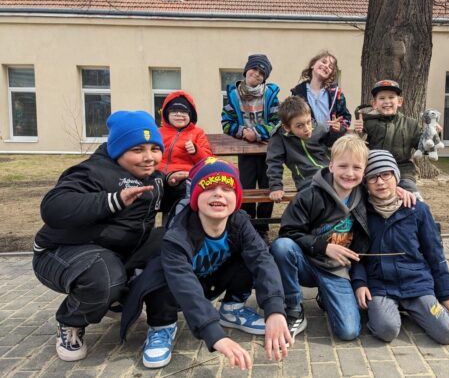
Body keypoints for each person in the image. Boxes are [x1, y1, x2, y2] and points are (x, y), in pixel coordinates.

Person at [32, 110, 187, 365]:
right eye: (137, 149)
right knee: (104, 275)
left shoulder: (151, 176)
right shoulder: (91, 172)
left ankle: (118, 299)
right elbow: (53, 207)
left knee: (171, 242)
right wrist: (111, 201)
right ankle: (71, 321)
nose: (149, 157)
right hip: (59, 252)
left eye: (155, 149)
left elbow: (152, 200)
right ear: (118, 149)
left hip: (114, 250)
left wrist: (173, 185)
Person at [122, 157, 292, 370]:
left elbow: (262, 260)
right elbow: (184, 284)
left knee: (253, 253)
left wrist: (275, 309)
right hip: (179, 289)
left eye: (227, 189)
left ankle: (232, 309)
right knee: (160, 274)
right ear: (194, 196)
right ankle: (162, 326)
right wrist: (214, 333)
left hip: (211, 279)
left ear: (237, 198)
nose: (218, 193)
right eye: (209, 187)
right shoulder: (178, 234)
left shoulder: (239, 222)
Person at [353, 150, 449, 344]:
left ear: (396, 177)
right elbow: (357, 255)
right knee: (386, 330)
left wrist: (446, 294)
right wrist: (360, 283)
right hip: (381, 286)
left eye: (386, 174)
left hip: (416, 284)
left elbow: (435, 254)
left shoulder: (417, 210)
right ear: (365, 183)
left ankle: (445, 299)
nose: (380, 182)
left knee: (446, 334)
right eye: (372, 177)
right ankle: (393, 309)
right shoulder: (361, 213)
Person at [270, 134, 370, 340]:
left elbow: (388, 189)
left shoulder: (365, 196)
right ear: (331, 166)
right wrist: (324, 246)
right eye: (343, 166)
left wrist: (403, 189)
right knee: (282, 247)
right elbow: (288, 231)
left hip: (337, 268)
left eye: (356, 167)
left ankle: (325, 294)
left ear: (364, 170)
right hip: (307, 261)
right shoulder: (309, 194)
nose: (349, 173)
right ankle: (293, 308)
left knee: (349, 331)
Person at [221, 54, 280, 242]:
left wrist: (258, 133)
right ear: (246, 70)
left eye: (262, 73)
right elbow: (226, 123)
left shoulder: (270, 96)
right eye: (254, 69)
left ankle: (262, 228)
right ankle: (247, 226)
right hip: (245, 150)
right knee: (246, 188)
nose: (257, 74)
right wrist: (242, 132)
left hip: (267, 151)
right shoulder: (233, 96)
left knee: (267, 188)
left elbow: (277, 122)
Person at [266, 96, 345, 202]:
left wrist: (336, 132)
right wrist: (276, 187)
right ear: (287, 127)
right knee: (322, 197)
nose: (307, 129)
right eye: (300, 126)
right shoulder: (279, 138)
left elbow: (331, 142)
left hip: (330, 173)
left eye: (308, 122)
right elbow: (274, 163)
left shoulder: (318, 127)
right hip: (307, 181)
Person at [354, 80, 423, 197]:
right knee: (361, 196)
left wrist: (432, 135)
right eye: (382, 98)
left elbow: (423, 148)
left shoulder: (411, 124)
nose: (387, 101)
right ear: (374, 104)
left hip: (403, 172)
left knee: (413, 197)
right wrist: (359, 134)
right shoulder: (366, 123)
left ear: (399, 101)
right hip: (373, 170)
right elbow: (357, 151)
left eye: (391, 97)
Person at [158, 90, 213, 213]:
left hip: (184, 176)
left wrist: (195, 151)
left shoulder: (197, 133)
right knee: (149, 185)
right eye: (174, 111)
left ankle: (180, 219)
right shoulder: (159, 132)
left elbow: (207, 160)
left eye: (183, 111)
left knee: (185, 186)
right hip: (160, 176)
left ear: (190, 115)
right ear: (166, 114)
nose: (179, 114)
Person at [291, 50, 351, 130]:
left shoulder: (336, 94)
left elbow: (346, 118)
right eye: (324, 62)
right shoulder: (297, 93)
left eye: (330, 67)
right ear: (313, 65)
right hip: (307, 136)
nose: (326, 66)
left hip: (330, 137)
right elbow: (292, 119)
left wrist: (340, 126)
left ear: (330, 74)